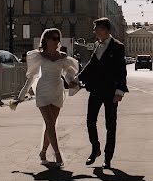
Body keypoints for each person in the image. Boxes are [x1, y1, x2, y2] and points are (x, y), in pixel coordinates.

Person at [11, 28, 80, 168]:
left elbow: (68, 75)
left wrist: (72, 82)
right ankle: (58, 154)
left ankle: (43, 152)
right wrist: (20, 97)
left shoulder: (63, 57)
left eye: (58, 39)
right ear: (46, 40)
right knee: (49, 123)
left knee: (51, 125)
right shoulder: (39, 56)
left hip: (57, 91)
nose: (56, 41)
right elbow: (31, 78)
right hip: (42, 91)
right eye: (53, 38)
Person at [78, 17, 128, 169]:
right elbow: (91, 66)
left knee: (110, 125)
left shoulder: (118, 46)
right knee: (90, 121)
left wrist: (120, 91)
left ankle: (108, 157)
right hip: (96, 90)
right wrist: (76, 79)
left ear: (105, 30)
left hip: (111, 92)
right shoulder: (97, 45)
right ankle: (96, 149)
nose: (94, 31)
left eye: (96, 28)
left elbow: (121, 71)